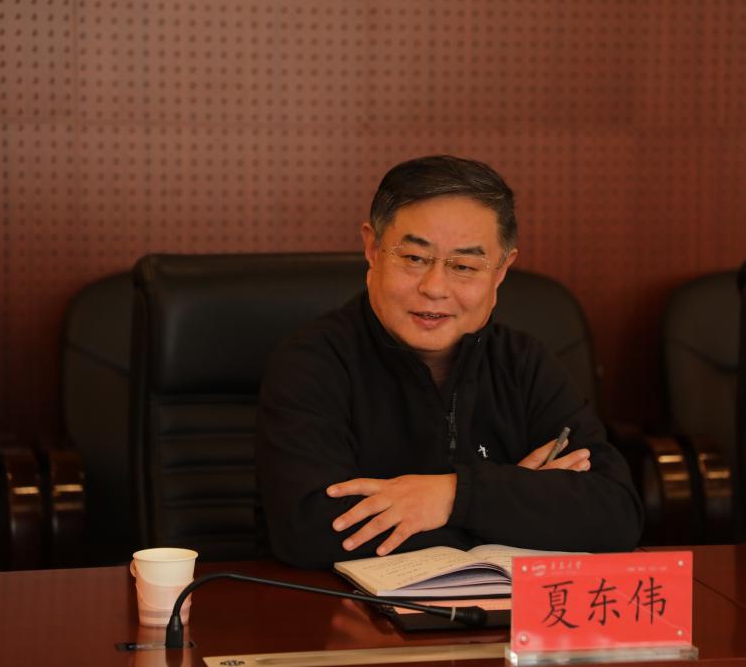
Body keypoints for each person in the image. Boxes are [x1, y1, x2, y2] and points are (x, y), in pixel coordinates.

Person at [257, 155, 643, 567]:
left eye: (464, 266)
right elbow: (311, 532)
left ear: (501, 270)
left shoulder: (524, 363)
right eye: (414, 258)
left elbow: (616, 514)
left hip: (504, 607)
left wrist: (453, 496)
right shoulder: (311, 363)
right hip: (347, 606)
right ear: (372, 248)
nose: (435, 287)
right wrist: (521, 500)